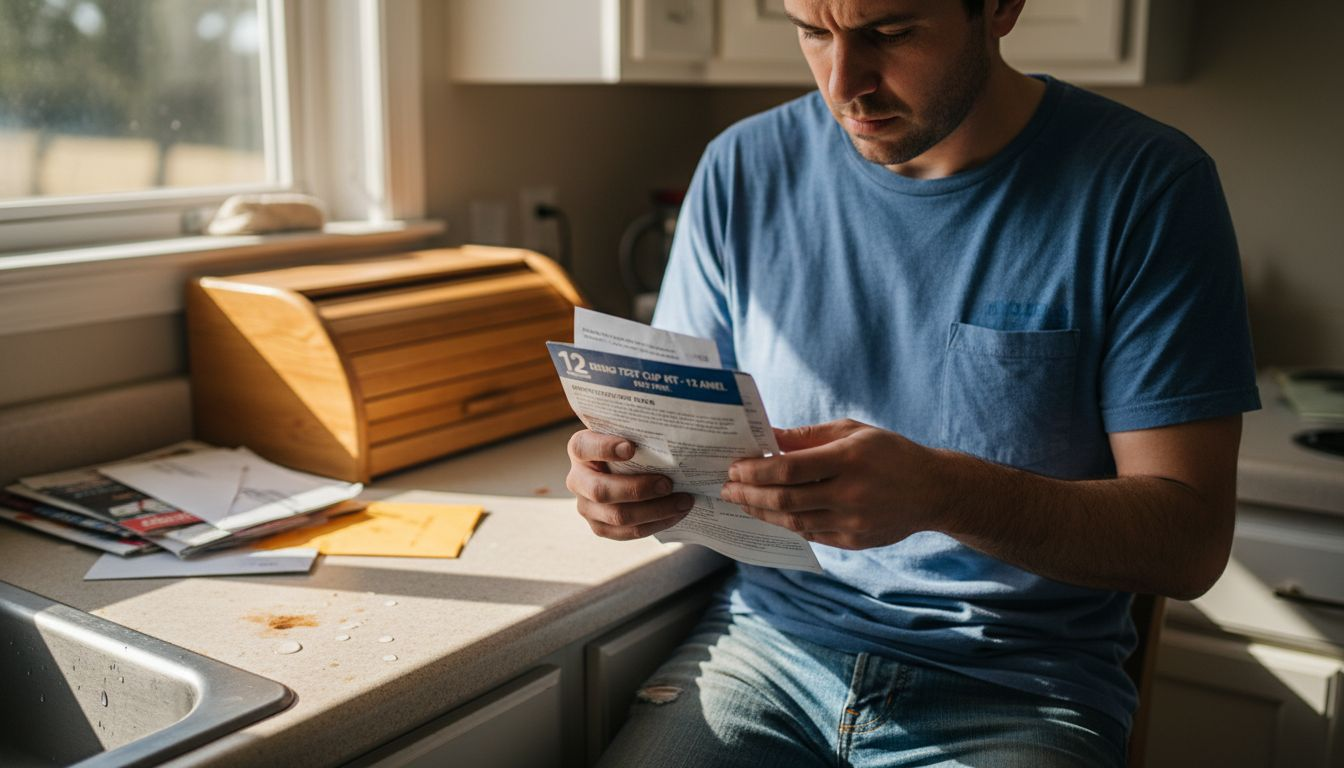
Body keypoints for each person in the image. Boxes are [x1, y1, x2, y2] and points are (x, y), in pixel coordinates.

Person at [566, 0, 1260, 765]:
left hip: (1019, 687)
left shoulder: (1147, 187)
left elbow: (1190, 545)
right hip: (768, 650)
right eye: (812, 31)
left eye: (890, 34)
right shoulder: (741, 169)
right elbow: (676, 434)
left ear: (1000, 8)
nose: (843, 85)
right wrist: (624, 478)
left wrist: (941, 493)